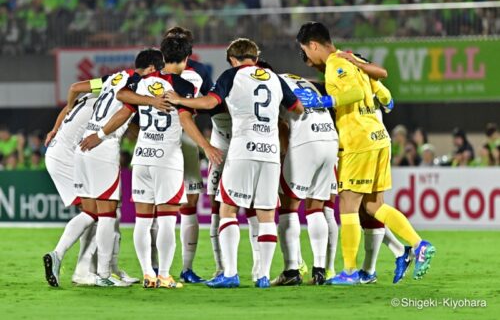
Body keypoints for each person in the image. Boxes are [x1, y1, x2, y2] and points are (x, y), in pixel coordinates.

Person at [295, 21, 435, 285]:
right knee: (373, 206)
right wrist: (385, 98)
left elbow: (357, 91)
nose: (309, 57)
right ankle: (418, 245)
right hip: (380, 137)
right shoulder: (352, 61)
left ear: (313, 45)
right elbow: (376, 86)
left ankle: (349, 271)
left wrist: (329, 101)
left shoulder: (336, 65)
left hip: (359, 142)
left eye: (306, 50)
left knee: (347, 204)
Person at [166, 38, 304, 288]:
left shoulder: (232, 75)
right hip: (270, 153)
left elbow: (209, 103)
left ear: (232, 59)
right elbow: (297, 108)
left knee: (228, 209)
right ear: (256, 55)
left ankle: (229, 273)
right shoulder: (275, 78)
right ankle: (262, 275)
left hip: (243, 149)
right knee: (266, 214)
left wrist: (180, 100)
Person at [43, 62, 169, 287]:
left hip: (63, 151)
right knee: (103, 214)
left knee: (98, 214)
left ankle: (98, 268)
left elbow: (74, 88)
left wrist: (55, 127)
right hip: (73, 154)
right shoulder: (127, 91)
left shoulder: (105, 86)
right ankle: (92, 271)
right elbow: (122, 113)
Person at [131, 35, 222, 289]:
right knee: (169, 218)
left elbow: (123, 100)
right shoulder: (182, 84)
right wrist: (206, 145)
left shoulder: (142, 82)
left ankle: (148, 273)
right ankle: (166, 275)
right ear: (185, 58)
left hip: (141, 156)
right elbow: (185, 119)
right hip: (167, 157)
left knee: (142, 219)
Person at [272, 71, 338, 286]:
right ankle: (320, 271)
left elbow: (280, 124)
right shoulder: (299, 79)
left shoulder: (271, 81)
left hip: (306, 141)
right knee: (316, 207)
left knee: (289, 207)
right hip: (330, 138)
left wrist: (283, 152)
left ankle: (291, 270)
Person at [163, 26, 218, 284]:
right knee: (188, 203)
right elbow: (212, 102)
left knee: (173, 204)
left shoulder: (154, 71)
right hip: (185, 139)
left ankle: (165, 268)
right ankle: (182, 268)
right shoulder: (198, 73)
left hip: (164, 140)